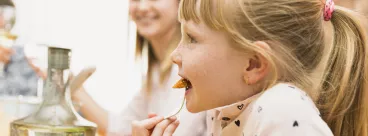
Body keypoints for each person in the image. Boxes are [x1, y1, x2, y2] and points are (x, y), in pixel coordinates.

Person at [132, 0, 368, 135]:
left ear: (254, 64)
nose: (175, 55)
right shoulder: (227, 115)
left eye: (192, 38)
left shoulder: (281, 109)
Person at [71, 0, 207, 135]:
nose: (142, 7)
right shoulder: (155, 73)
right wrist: (74, 90)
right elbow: (121, 129)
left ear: (179, 3)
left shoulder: (188, 68)